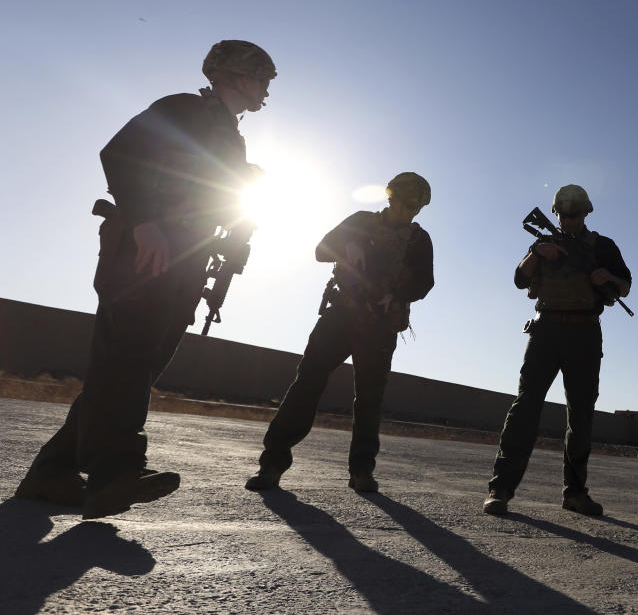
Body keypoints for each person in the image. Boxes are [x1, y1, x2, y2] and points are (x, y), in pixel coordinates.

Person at [14, 40, 277, 519]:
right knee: (129, 361)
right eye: (263, 79)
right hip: (147, 249)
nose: (266, 90)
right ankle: (116, 473)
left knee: (130, 368)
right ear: (238, 77)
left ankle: (50, 473)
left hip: (182, 257)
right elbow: (121, 153)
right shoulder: (184, 109)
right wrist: (144, 222)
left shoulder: (228, 136)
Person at [245, 172, 434, 494]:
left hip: (379, 323)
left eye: (417, 209)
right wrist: (348, 244)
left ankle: (362, 471)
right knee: (307, 382)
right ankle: (272, 465)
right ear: (392, 198)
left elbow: (424, 282)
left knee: (370, 399)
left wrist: (399, 297)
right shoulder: (360, 221)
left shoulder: (419, 239)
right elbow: (321, 250)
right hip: (342, 313)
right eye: (408, 206)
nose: (411, 213)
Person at [483, 184, 631, 517]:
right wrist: (537, 254)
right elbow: (520, 279)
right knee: (525, 407)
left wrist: (607, 276)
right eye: (562, 213)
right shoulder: (543, 242)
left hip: (584, 331)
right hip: (546, 328)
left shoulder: (602, 246)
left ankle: (575, 493)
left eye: (574, 213)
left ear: (586, 212)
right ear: (556, 214)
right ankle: (500, 489)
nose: (568, 219)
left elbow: (625, 286)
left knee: (581, 414)